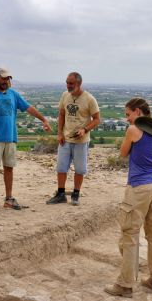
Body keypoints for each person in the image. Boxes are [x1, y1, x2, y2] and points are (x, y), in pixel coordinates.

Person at [104, 97, 152, 298]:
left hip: (139, 187)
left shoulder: (134, 130)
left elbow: (123, 153)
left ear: (137, 111)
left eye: (128, 114)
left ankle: (125, 285)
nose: (127, 119)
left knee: (130, 235)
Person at [0, 67, 52, 213]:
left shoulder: (13, 94)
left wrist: (43, 119)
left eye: (8, 78)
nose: (6, 81)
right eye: (3, 78)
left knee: (9, 168)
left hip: (11, 137)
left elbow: (29, 108)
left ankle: (8, 199)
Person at [46, 72, 100, 206]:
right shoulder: (65, 95)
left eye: (71, 83)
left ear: (79, 83)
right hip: (66, 139)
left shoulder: (89, 99)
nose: (68, 86)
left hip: (81, 141)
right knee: (61, 167)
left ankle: (76, 194)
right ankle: (61, 194)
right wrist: (59, 133)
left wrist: (85, 130)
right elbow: (62, 114)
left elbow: (97, 119)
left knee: (80, 169)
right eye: (67, 83)